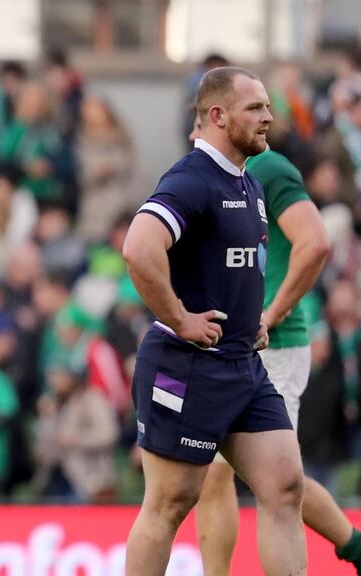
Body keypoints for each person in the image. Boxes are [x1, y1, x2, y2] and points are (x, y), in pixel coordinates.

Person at [187, 119, 361, 574]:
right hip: (227, 346)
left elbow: (314, 242)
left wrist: (272, 313)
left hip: (275, 344)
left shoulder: (271, 169)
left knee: (275, 483)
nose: (192, 136)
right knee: (222, 475)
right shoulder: (207, 178)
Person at [122, 67, 306, 575]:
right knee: (169, 505)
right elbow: (139, 248)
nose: (269, 117)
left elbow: (236, 264)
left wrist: (255, 321)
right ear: (219, 116)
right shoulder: (192, 179)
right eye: (256, 108)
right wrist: (179, 319)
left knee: (285, 486)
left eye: (268, 106)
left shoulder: (246, 181)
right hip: (188, 367)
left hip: (245, 367)